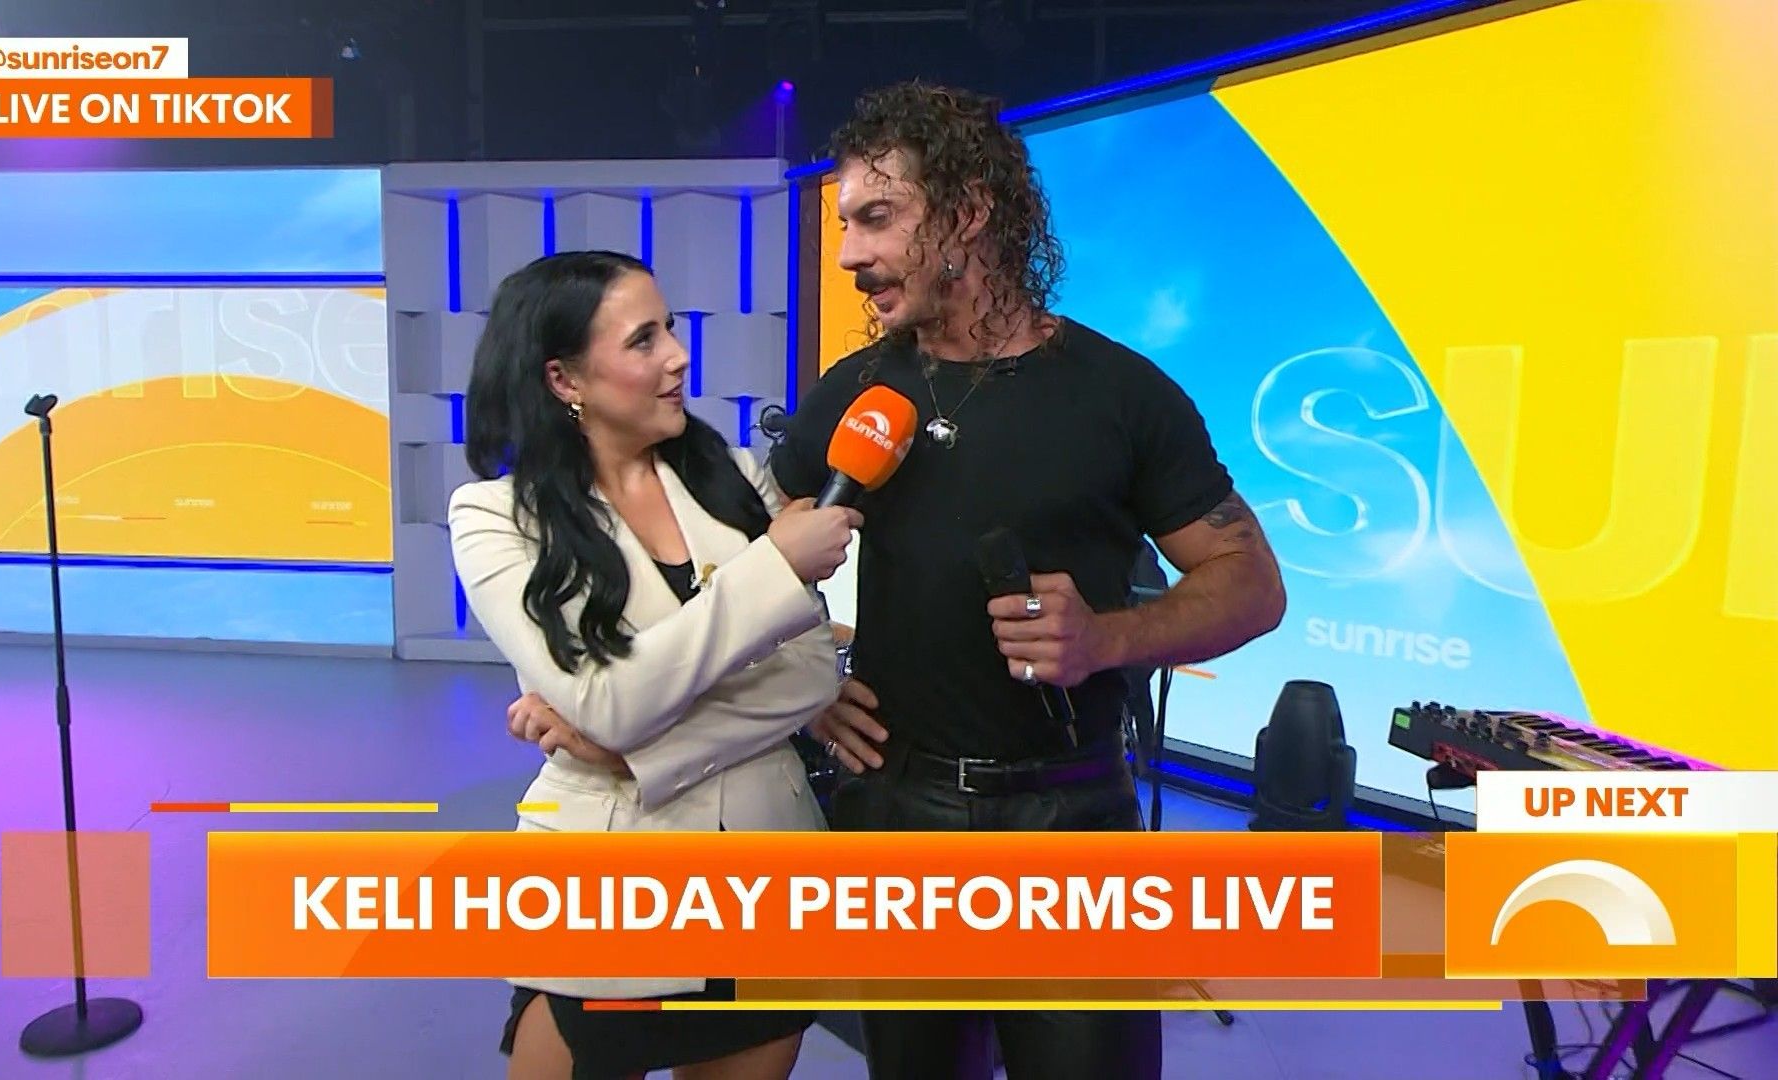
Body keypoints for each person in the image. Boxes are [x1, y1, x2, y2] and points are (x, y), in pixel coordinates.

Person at [772, 82, 1288, 1079]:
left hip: (1070, 825)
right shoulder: (855, 391)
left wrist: (1106, 638)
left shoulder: (1122, 395)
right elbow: (761, 551)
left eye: (876, 218)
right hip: (899, 820)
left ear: (969, 211)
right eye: (843, 225)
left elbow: (1251, 582)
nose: (847, 256)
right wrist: (802, 684)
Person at [448, 250, 861, 1080]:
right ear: (564, 378)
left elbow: (810, 673)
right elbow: (608, 702)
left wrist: (629, 751)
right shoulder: (495, 518)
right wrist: (774, 570)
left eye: (670, 329)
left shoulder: (734, 478)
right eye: (644, 340)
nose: (677, 355)